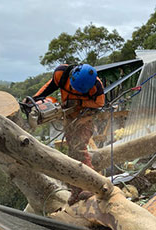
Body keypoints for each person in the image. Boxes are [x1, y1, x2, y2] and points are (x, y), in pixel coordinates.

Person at [33, 63, 105, 205]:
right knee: (72, 153)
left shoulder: (96, 86)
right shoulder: (62, 74)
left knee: (79, 148)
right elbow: (49, 87)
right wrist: (35, 99)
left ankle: (93, 184)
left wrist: (82, 113)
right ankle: (76, 190)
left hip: (86, 118)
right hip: (69, 116)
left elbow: (99, 106)